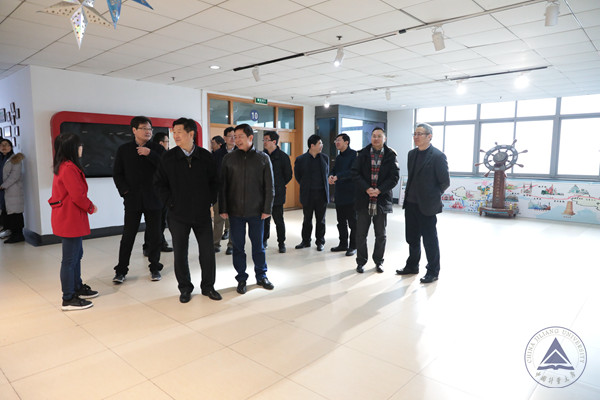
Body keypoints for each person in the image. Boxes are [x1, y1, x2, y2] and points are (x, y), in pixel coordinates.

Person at [155, 118, 222, 303]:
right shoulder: (168, 157)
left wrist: (209, 200)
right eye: (174, 132)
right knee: (180, 253)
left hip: (201, 213)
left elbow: (215, 182)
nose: (175, 136)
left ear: (191, 134)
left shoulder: (205, 156)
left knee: (207, 252)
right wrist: (171, 203)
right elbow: (159, 184)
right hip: (177, 214)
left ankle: (208, 287)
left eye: (179, 132)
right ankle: (185, 288)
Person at [219, 123, 274, 295]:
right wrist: (223, 208)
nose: (237, 140)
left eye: (240, 136)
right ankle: (241, 278)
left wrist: (267, 208)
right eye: (234, 137)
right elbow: (223, 186)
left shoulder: (263, 158)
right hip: (235, 212)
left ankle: (261, 276)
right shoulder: (228, 159)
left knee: (258, 246)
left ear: (250, 137)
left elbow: (269, 186)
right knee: (238, 247)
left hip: (257, 211)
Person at [112, 116, 165, 283]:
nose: (148, 131)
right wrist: (125, 192)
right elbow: (117, 173)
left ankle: (155, 268)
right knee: (128, 236)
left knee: (155, 236)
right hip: (133, 200)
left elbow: (166, 169)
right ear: (134, 130)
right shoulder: (124, 150)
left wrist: (151, 154)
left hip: (154, 200)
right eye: (144, 128)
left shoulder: (158, 149)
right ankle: (121, 270)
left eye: (150, 129)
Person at [49, 132, 99, 311]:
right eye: (79, 145)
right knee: (70, 259)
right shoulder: (69, 168)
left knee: (77, 255)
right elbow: (77, 195)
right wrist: (91, 207)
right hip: (69, 218)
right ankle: (68, 298)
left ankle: (77, 287)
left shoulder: (63, 165)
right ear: (71, 148)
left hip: (69, 217)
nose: (81, 148)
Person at [396, 123, 450, 283]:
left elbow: (445, 182)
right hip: (411, 204)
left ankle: (433, 271)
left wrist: (432, 196)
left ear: (429, 136)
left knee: (429, 240)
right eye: (415, 134)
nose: (416, 137)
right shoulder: (412, 154)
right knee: (412, 238)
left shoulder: (438, 156)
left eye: (420, 134)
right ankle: (412, 265)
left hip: (427, 206)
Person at [352, 127, 399, 273]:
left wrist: (379, 190)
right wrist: (367, 188)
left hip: (381, 199)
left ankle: (379, 261)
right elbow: (355, 173)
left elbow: (394, 177)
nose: (376, 138)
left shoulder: (391, 155)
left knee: (381, 234)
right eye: (373, 136)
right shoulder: (362, 153)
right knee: (361, 234)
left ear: (384, 138)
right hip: (364, 198)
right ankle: (361, 262)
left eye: (379, 136)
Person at [294, 134, 329, 251]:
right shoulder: (301, 159)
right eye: (320, 143)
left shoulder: (325, 158)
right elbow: (298, 176)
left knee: (321, 220)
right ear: (312, 145)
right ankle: (305, 241)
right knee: (307, 220)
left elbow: (326, 174)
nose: (322, 145)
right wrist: (306, 186)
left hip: (321, 194)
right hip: (308, 194)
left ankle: (320, 242)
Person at [142, 131, 173, 255]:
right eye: (167, 141)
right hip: (154, 193)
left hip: (163, 193)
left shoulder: (161, 153)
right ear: (161, 143)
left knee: (160, 221)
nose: (168, 144)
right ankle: (149, 246)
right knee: (154, 222)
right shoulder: (153, 153)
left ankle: (159, 243)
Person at [262, 131, 292, 253]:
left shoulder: (283, 157)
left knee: (278, 220)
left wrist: (279, 185)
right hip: (264, 193)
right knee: (264, 220)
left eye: (266, 139)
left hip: (277, 193)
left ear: (274, 142)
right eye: (264, 139)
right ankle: (264, 240)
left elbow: (288, 175)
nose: (264, 142)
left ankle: (281, 243)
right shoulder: (261, 156)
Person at [328, 133, 357, 256]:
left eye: (339, 140)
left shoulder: (354, 155)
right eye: (336, 140)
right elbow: (334, 170)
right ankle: (343, 244)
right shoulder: (339, 157)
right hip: (340, 194)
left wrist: (338, 177)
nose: (336, 142)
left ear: (346, 142)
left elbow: (352, 172)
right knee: (341, 222)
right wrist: (331, 175)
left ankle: (353, 246)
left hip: (351, 195)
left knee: (353, 223)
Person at [212, 127, 235, 254]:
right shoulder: (217, 154)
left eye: (235, 136)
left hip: (235, 192)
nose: (233, 139)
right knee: (218, 218)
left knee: (233, 220)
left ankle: (231, 244)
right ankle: (215, 243)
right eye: (230, 136)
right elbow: (211, 174)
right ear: (225, 138)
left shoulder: (240, 153)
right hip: (219, 192)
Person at [0, 139, 25, 243]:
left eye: (6, 145)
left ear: (11, 147)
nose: (4, 147)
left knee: (15, 213)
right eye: (1, 145)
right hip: (3, 191)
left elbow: (15, 176)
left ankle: (18, 235)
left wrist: (3, 186)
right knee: (6, 212)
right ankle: (10, 232)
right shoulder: (1, 158)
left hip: (12, 190)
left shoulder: (15, 159)